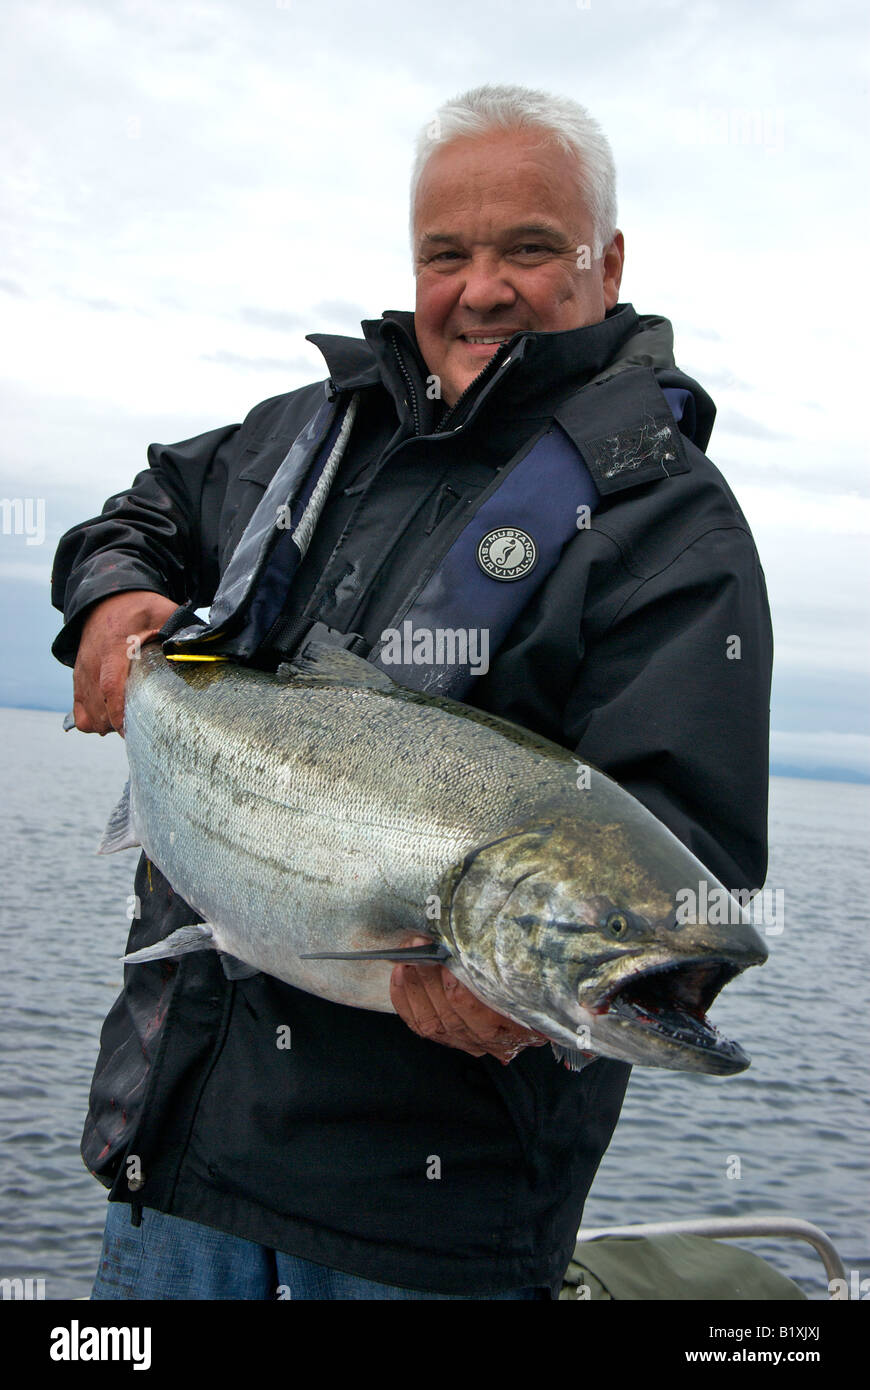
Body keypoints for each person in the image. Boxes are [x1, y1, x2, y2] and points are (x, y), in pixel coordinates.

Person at [51, 83, 773, 1300]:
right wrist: (115, 602)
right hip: (174, 1171)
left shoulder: (671, 529)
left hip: (422, 1245)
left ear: (607, 262)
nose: (481, 287)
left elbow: (678, 850)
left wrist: (512, 986)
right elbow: (143, 514)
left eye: (529, 249)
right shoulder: (314, 432)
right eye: (449, 254)